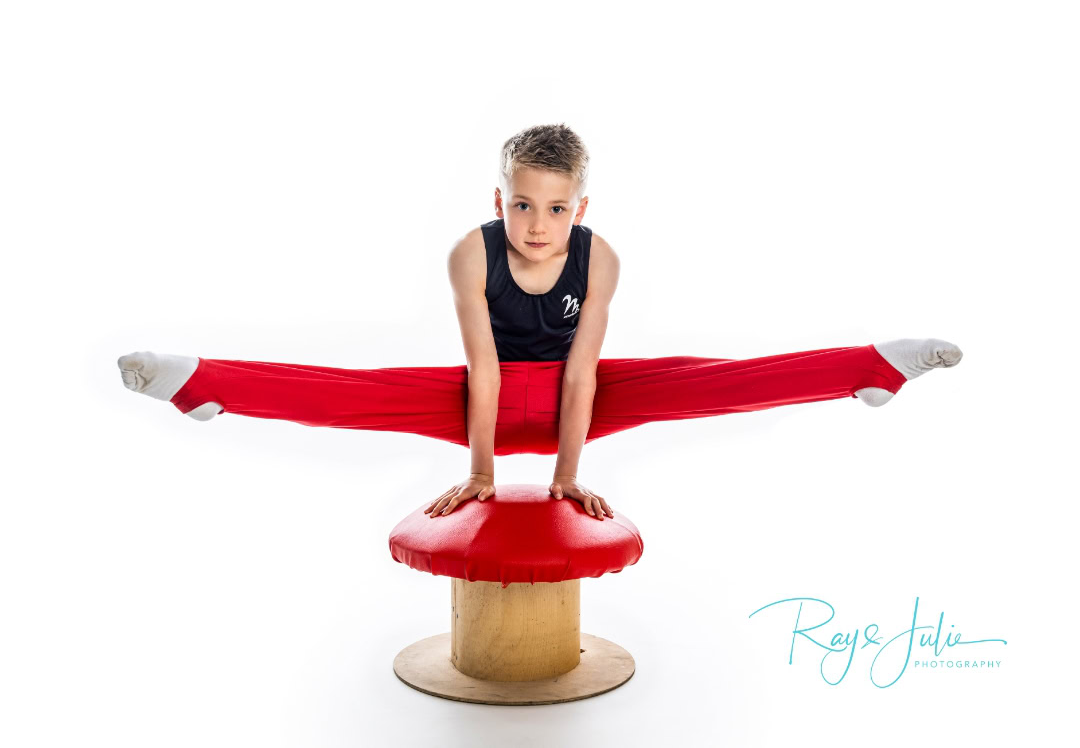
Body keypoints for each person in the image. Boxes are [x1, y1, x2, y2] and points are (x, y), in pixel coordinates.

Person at [117, 124, 963, 522]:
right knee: (359, 393)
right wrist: (483, 471)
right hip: (477, 401)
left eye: (554, 209)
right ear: (498, 200)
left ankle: (873, 367)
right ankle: (197, 380)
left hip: (580, 398)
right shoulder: (468, 255)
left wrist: (565, 473)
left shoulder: (602, 258)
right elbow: (483, 369)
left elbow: (587, 373)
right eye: (520, 204)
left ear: (579, 208)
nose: (535, 225)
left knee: (704, 379)